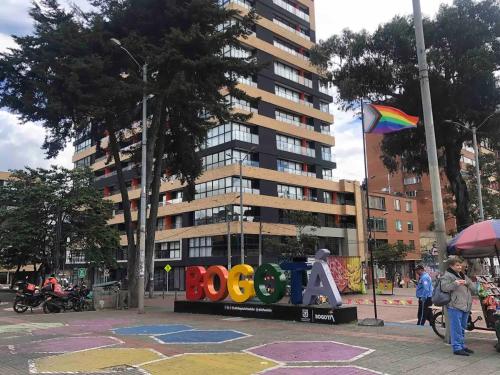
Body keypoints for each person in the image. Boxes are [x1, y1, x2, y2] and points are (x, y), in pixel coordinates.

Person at [440, 256, 476, 356]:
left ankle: (462, 345)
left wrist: (467, 282)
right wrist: (455, 283)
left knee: (462, 327)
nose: (460, 267)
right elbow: (444, 288)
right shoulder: (447, 276)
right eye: (457, 265)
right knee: (456, 327)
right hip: (454, 306)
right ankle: (457, 347)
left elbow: (472, 286)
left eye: (460, 265)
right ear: (451, 266)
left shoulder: (462, 275)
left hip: (466, 305)